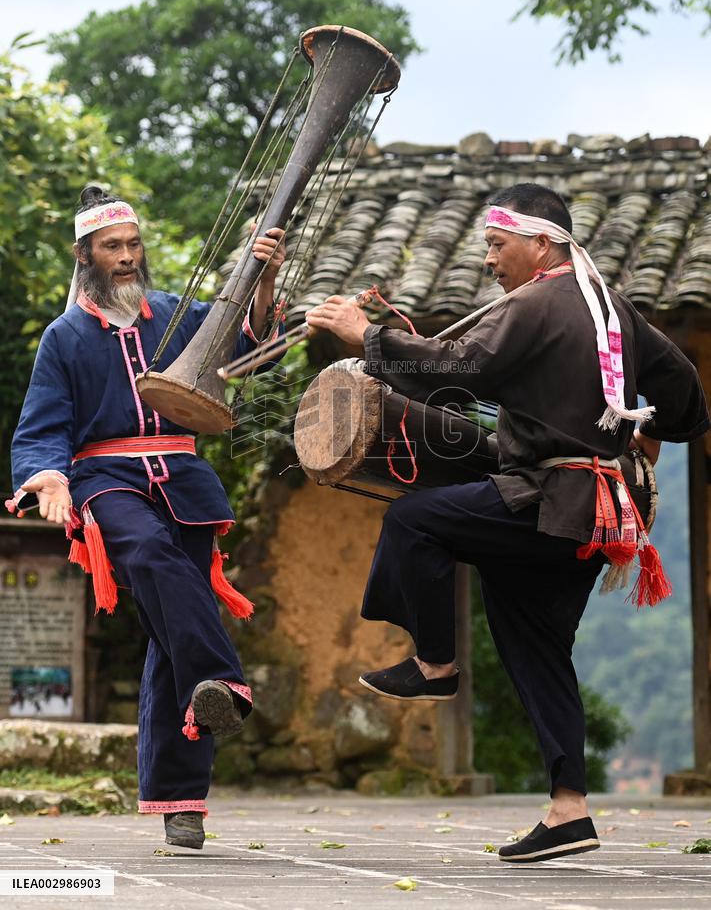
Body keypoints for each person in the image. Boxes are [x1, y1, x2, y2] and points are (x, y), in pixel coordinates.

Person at [305, 182, 709, 864]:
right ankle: (568, 810)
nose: (488, 261)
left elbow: (450, 370)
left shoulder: (537, 301)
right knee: (536, 650)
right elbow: (688, 402)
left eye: (495, 245)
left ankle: (434, 664)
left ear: (539, 243)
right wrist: (631, 436)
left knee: (415, 520)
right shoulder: (613, 309)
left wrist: (364, 334)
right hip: (599, 508)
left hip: (551, 497)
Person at [6, 184, 286, 850]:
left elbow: (248, 351)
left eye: (133, 245)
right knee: (152, 557)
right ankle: (225, 681)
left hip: (185, 480)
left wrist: (264, 281)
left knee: (171, 637)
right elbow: (42, 427)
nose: (127, 257)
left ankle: (180, 800)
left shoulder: (174, 313)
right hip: (106, 481)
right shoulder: (65, 337)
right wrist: (48, 480)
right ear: (86, 256)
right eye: (113, 248)